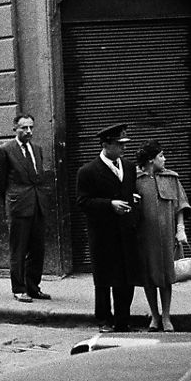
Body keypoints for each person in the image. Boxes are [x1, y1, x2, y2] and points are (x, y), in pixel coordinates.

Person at [76, 123, 141, 332]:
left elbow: (129, 192)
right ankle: (104, 319)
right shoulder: (88, 171)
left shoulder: (130, 167)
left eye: (124, 144)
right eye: (119, 144)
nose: (123, 148)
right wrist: (109, 204)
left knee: (126, 279)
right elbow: (83, 202)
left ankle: (123, 321)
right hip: (103, 235)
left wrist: (133, 199)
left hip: (126, 232)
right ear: (105, 145)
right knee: (104, 279)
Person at [0, 112, 49, 303]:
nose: (28, 131)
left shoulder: (37, 148)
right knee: (19, 248)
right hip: (18, 206)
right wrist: (12, 199)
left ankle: (33, 287)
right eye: (24, 127)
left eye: (31, 127)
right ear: (15, 128)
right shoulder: (5, 150)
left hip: (37, 204)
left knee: (37, 249)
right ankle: (19, 289)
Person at [135, 140, 191, 332]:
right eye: (161, 156)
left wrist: (180, 228)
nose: (164, 159)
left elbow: (181, 205)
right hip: (145, 238)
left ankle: (166, 316)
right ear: (151, 160)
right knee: (149, 276)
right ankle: (154, 316)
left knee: (167, 275)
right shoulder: (136, 180)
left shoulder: (171, 178)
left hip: (167, 236)